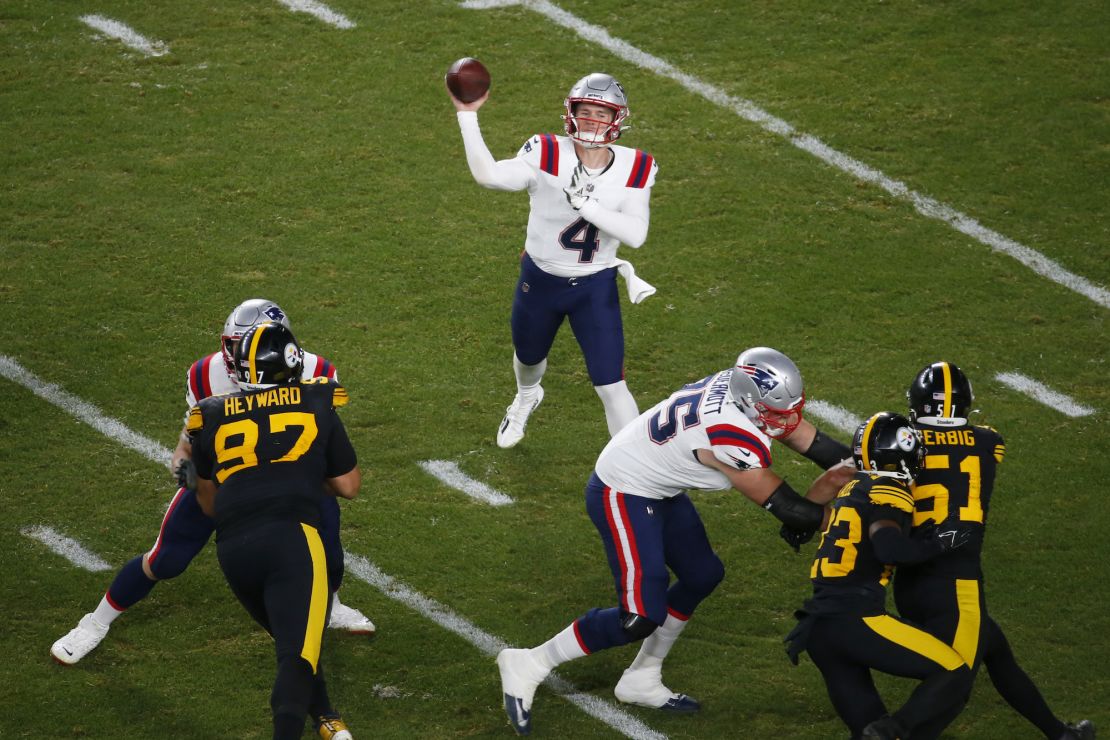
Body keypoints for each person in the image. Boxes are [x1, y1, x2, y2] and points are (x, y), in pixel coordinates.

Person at [495, 347, 856, 735]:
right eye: (776, 411)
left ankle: (642, 677)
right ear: (751, 404)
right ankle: (530, 662)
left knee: (702, 574)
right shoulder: (730, 434)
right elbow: (791, 509)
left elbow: (816, 445)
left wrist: (874, 468)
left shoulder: (740, 393)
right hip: (623, 489)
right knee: (638, 617)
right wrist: (859, 520)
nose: (788, 420)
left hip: (657, 483)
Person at [50, 299, 373, 667]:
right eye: (233, 346)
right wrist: (189, 482)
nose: (236, 356)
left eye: (246, 346)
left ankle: (331, 607)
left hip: (292, 480)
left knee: (327, 546)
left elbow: (324, 447)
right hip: (225, 481)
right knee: (166, 558)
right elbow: (186, 449)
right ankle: (94, 623)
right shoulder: (205, 374)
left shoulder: (317, 371)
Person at [449, 71, 659, 447]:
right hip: (541, 280)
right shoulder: (545, 151)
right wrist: (467, 114)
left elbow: (636, 234)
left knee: (612, 384)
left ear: (617, 119)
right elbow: (489, 176)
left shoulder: (636, 165)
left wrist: (586, 205)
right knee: (528, 359)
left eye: (601, 112)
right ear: (571, 111)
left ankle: (636, 467)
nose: (593, 119)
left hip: (594, 284)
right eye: (587, 110)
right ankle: (527, 396)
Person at [892, 361, 1096, 740]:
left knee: (996, 652)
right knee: (953, 686)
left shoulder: (905, 438)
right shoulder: (989, 441)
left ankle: (1061, 735)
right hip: (957, 583)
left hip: (912, 574)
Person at [189, 321, 357, 740]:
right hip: (291, 539)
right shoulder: (317, 400)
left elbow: (206, 499)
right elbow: (348, 486)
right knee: (297, 657)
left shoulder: (208, 414)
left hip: (233, 549)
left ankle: (326, 717)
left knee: (292, 639)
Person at [784, 411, 977, 740]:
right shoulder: (891, 489)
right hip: (856, 619)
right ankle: (897, 729)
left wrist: (797, 521)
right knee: (954, 672)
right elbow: (888, 549)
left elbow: (832, 479)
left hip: (818, 629)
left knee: (866, 733)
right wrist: (938, 543)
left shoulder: (853, 485)